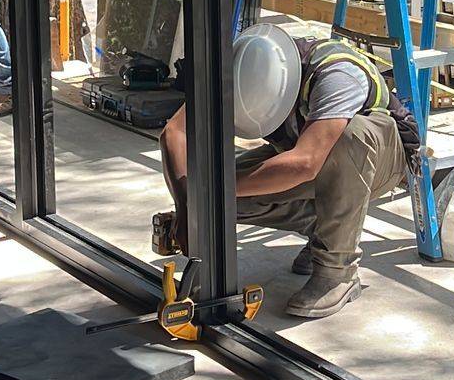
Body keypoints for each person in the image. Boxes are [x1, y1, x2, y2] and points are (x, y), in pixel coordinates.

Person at [160, 24, 406, 318]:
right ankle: (324, 231)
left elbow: (306, 162)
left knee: (347, 137)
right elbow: (175, 132)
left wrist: (214, 189)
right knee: (218, 198)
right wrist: (189, 205)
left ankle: (337, 272)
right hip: (307, 154)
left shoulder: (337, 76)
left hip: (378, 161)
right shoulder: (238, 66)